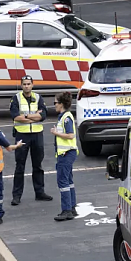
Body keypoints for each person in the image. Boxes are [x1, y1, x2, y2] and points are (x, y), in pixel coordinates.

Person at [10, 76, 52, 206]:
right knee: (20, 166)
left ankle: (40, 192)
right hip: (22, 135)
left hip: (37, 135)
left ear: (32, 85)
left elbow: (43, 115)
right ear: (21, 85)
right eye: (24, 84)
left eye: (29, 84)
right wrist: (34, 117)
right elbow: (16, 116)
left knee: (38, 165)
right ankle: (16, 196)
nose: (26, 86)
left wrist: (27, 116)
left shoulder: (38, 98)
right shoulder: (16, 98)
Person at [51, 92, 78, 221]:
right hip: (67, 153)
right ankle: (72, 207)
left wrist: (56, 133)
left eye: (55, 103)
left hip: (66, 153)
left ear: (61, 104)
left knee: (62, 181)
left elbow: (70, 135)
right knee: (69, 181)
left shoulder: (66, 118)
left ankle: (66, 210)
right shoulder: (64, 117)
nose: (54, 105)